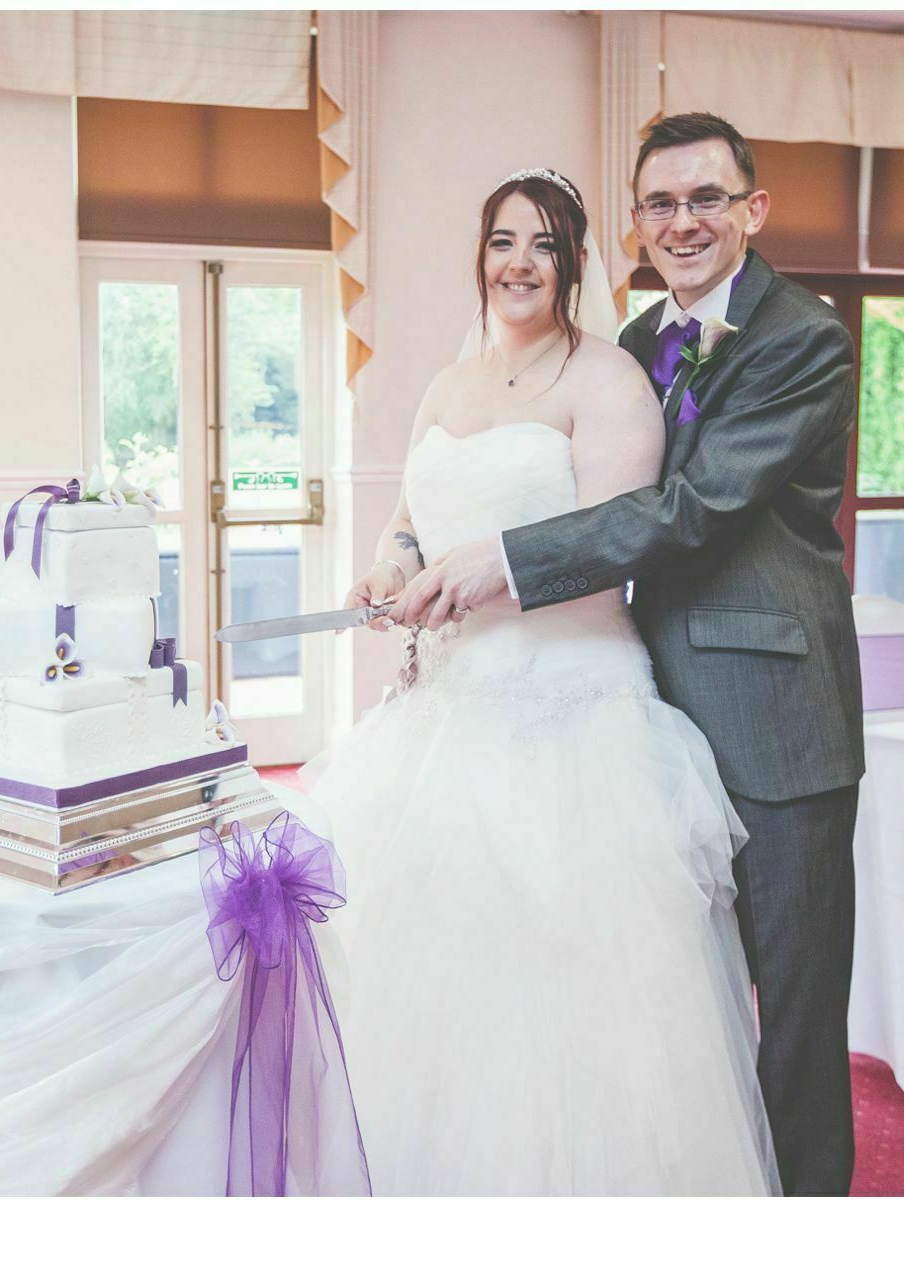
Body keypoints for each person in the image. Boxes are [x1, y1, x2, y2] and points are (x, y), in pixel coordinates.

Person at [390, 116, 865, 1196]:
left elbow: (690, 509)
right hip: (646, 699)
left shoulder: (804, 337)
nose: (683, 222)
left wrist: (501, 561)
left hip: (774, 711)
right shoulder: (640, 338)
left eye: (706, 199)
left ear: (754, 207)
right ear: (637, 223)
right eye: (660, 203)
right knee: (667, 999)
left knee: (791, 1012)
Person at [302, 167, 778, 1195]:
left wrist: (474, 579)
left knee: (567, 1000)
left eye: (545, 245)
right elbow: (410, 522)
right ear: (481, 255)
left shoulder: (606, 380)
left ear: (574, 263)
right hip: (446, 712)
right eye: (504, 240)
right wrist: (391, 570)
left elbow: (613, 543)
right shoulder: (447, 383)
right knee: (434, 981)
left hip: (572, 712)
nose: (520, 263)